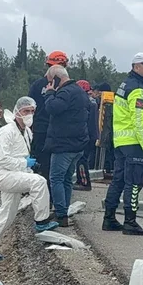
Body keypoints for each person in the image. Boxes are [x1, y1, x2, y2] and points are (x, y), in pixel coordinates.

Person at [0, 96, 58, 261]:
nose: (29, 114)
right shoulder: (5, 132)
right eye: (25, 111)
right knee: (39, 182)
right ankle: (41, 221)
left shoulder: (27, 131)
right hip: (2, 173)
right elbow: (2, 159)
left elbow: (20, 155)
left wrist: (26, 166)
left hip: (14, 173)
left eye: (32, 111)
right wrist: (24, 163)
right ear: (17, 112)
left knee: (7, 215)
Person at [102, 52, 143, 236]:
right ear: (136, 67)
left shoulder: (125, 85)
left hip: (121, 142)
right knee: (134, 183)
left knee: (118, 181)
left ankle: (109, 218)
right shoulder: (138, 90)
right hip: (135, 143)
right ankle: (130, 222)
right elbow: (140, 122)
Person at [43, 66, 90, 227]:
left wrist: (49, 93)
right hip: (77, 144)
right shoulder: (79, 92)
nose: (49, 84)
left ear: (56, 79)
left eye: (51, 81)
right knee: (67, 179)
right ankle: (64, 210)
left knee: (56, 178)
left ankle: (61, 214)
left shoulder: (65, 92)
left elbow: (52, 108)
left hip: (64, 144)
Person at [30, 50, 69, 182]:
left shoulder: (37, 85)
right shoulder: (66, 87)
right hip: (57, 132)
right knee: (58, 169)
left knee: (42, 165)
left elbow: (29, 107)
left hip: (41, 130)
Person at [74, 80, 99, 192]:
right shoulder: (92, 102)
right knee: (81, 159)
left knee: (82, 159)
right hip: (91, 135)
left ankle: (84, 182)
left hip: (87, 135)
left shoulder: (87, 103)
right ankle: (80, 180)